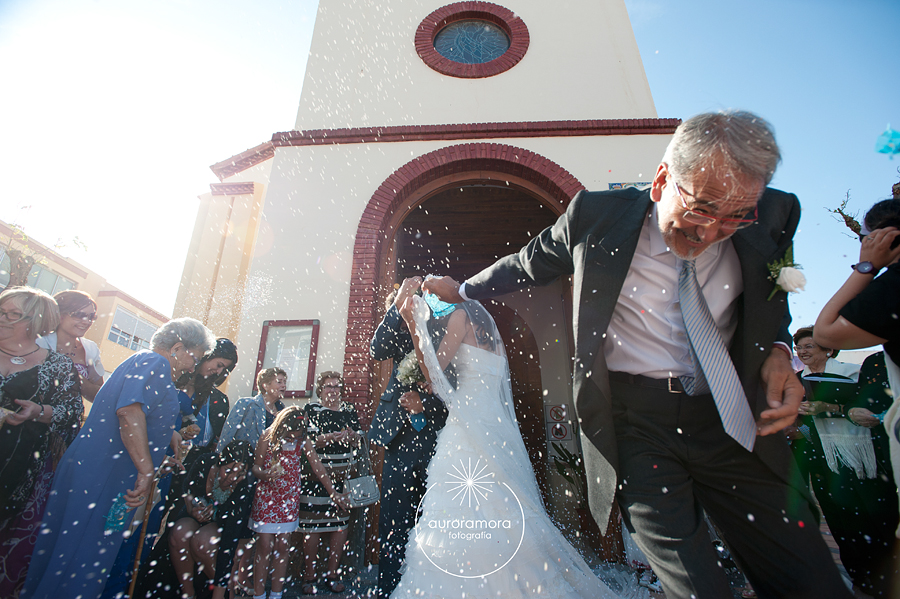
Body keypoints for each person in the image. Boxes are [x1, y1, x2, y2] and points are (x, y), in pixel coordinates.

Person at [424, 110, 850, 599]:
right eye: (702, 209)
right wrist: (462, 289)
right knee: (696, 587)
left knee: (810, 579)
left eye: (735, 217)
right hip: (637, 424)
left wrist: (778, 348)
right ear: (663, 179)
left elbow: (769, 294)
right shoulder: (596, 217)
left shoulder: (775, 214)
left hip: (733, 415)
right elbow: (526, 265)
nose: (712, 233)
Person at [392, 291, 646, 598]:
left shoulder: (459, 317)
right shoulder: (491, 336)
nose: (432, 290)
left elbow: (432, 377)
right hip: (494, 426)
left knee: (462, 503)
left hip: (469, 426)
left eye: (439, 286)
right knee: (504, 503)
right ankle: (525, 578)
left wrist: (413, 323)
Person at [21, 317, 216, 599]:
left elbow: (135, 414)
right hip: (104, 476)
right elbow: (129, 412)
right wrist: (146, 469)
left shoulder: (144, 362)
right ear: (177, 347)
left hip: (104, 473)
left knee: (75, 556)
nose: (193, 366)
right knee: (83, 559)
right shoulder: (155, 363)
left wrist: (164, 443)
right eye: (194, 358)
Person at [368, 278, 449, 599]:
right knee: (394, 518)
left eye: (412, 304)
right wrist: (396, 307)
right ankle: (390, 588)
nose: (409, 309)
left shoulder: (439, 328)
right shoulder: (395, 332)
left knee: (433, 512)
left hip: (434, 434)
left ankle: (430, 587)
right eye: (404, 305)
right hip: (398, 438)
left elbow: (451, 380)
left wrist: (424, 402)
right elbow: (377, 350)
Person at [0, 287, 82, 598]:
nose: (2, 318)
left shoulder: (57, 365)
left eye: (12, 315)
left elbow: (73, 413)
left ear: (34, 322)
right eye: (1, 310)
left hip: (17, 470)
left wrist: (39, 412)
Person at [249, 406, 349, 599]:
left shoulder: (302, 441)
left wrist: (333, 492)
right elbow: (256, 467)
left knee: (283, 546)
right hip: (267, 498)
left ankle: (276, 594)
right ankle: (259, 594)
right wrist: (265, 474)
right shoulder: (266, 437)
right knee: (264, 545)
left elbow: (317, 466)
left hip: (289, 498)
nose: (294, 436)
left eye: (298, 433)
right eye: (291, 433)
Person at [297, 371, 362, 594]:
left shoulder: (349, 409)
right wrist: (326, 439)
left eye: (336, 386)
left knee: (340, 524)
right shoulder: (311, 409)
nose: (333, 390)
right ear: (320, 389)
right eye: (328, 386)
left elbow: (359, 436)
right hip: (316, 476)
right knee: (312, 527)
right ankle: (310, 576)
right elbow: (306, 441)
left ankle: (332, 573)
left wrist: (352, 435)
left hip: (344, 476)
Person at [168, 440, 255, 599]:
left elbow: (230, 538)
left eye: (240, 474)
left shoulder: (245, 486)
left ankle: (224, 592)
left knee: (203, 541)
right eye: (228, 470)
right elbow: (186, 490)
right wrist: (192, 509)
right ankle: (188, 594)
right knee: (180, 533)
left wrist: (219, 593)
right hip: (197, 517)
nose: (232, 478)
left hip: (230, 528)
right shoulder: (204, 462)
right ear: (219, 463)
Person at [36, 289, 105, 403]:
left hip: (69, 417)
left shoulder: (90, 349)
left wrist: (73, 375)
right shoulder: (39, 343)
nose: (87, 321)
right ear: (59, 315)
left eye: (91, 317)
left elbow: (99, 395)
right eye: (79, 315)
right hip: (29, 414)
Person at [217, 367, 287, 451]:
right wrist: (220, 459)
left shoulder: (283, 411)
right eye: (279, 382)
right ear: (265, 386)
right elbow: (227, 434)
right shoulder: (246, 404)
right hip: (245, 459)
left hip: (270, 461)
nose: (283, 385)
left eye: (284, 382)